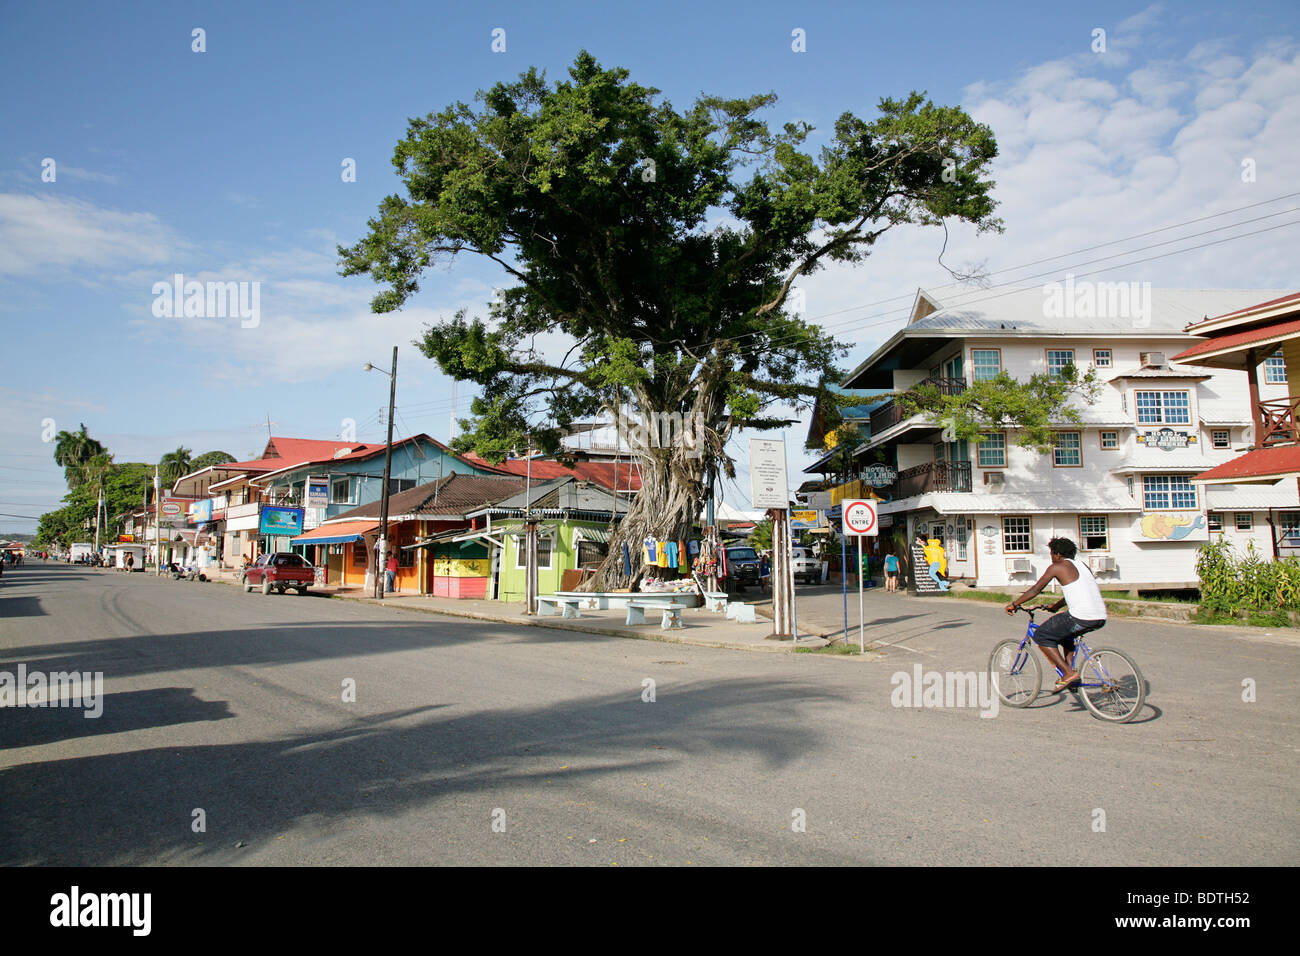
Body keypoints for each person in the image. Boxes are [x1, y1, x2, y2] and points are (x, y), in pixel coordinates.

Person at [1004, 536, 1106, 692]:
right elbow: (1077, 592)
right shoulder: (1083, 566)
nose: (1051, 557)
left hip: (1081, 616)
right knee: (1066, 636)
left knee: (1042, 635)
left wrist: (1014, 604)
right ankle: (1070, 676)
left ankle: (1068, 673)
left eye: (1051, 553)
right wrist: (1056, 606)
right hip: (1099, 616)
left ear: (1058, 554)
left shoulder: (1057, 566)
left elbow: (1035, 590)